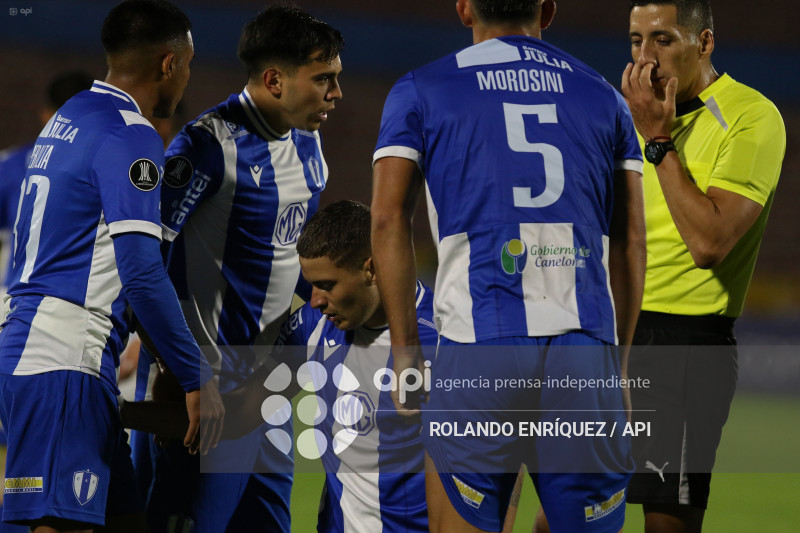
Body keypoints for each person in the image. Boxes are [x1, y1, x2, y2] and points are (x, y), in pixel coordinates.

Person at [371, 1, 646, 532]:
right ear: (547, 9)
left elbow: (387, 221)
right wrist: (621, 364)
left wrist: (406, 347)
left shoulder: (421, 88)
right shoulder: (604, 96)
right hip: (582, 349)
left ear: (464, 8)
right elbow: (631, 240)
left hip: (480, 343)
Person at [0, 0, 225, 532]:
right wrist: (195, 376)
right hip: (64, 360)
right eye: (188, 64)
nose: (187, 76)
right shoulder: (132, 134)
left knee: (125, 521)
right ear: (169, 63)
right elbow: (141, 272)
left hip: (34, 347)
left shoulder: (71, 116)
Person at [131, 4, 344, 532]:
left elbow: (295, 259)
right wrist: (183, 371)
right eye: (323, 80)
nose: (336, 94)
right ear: (274, 79)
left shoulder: (309, 143)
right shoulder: (207, 147)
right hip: (207, 391)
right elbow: (140, 267)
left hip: (266, 389)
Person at [620, 1, 785, 532]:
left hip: (684, 347)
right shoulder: (622, 114)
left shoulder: (750, 116)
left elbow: (709, 243)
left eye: (663, 40)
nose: (646, 58)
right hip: (606, 334)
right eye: (635, 41)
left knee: (666, 524)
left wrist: (657, 141)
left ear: (704, 42)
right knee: (564, 511)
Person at [0, 70, 94, 297]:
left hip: (15, 300)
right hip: (79, 304)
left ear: (46, 114)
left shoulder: (10, 165)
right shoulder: (108, 168)